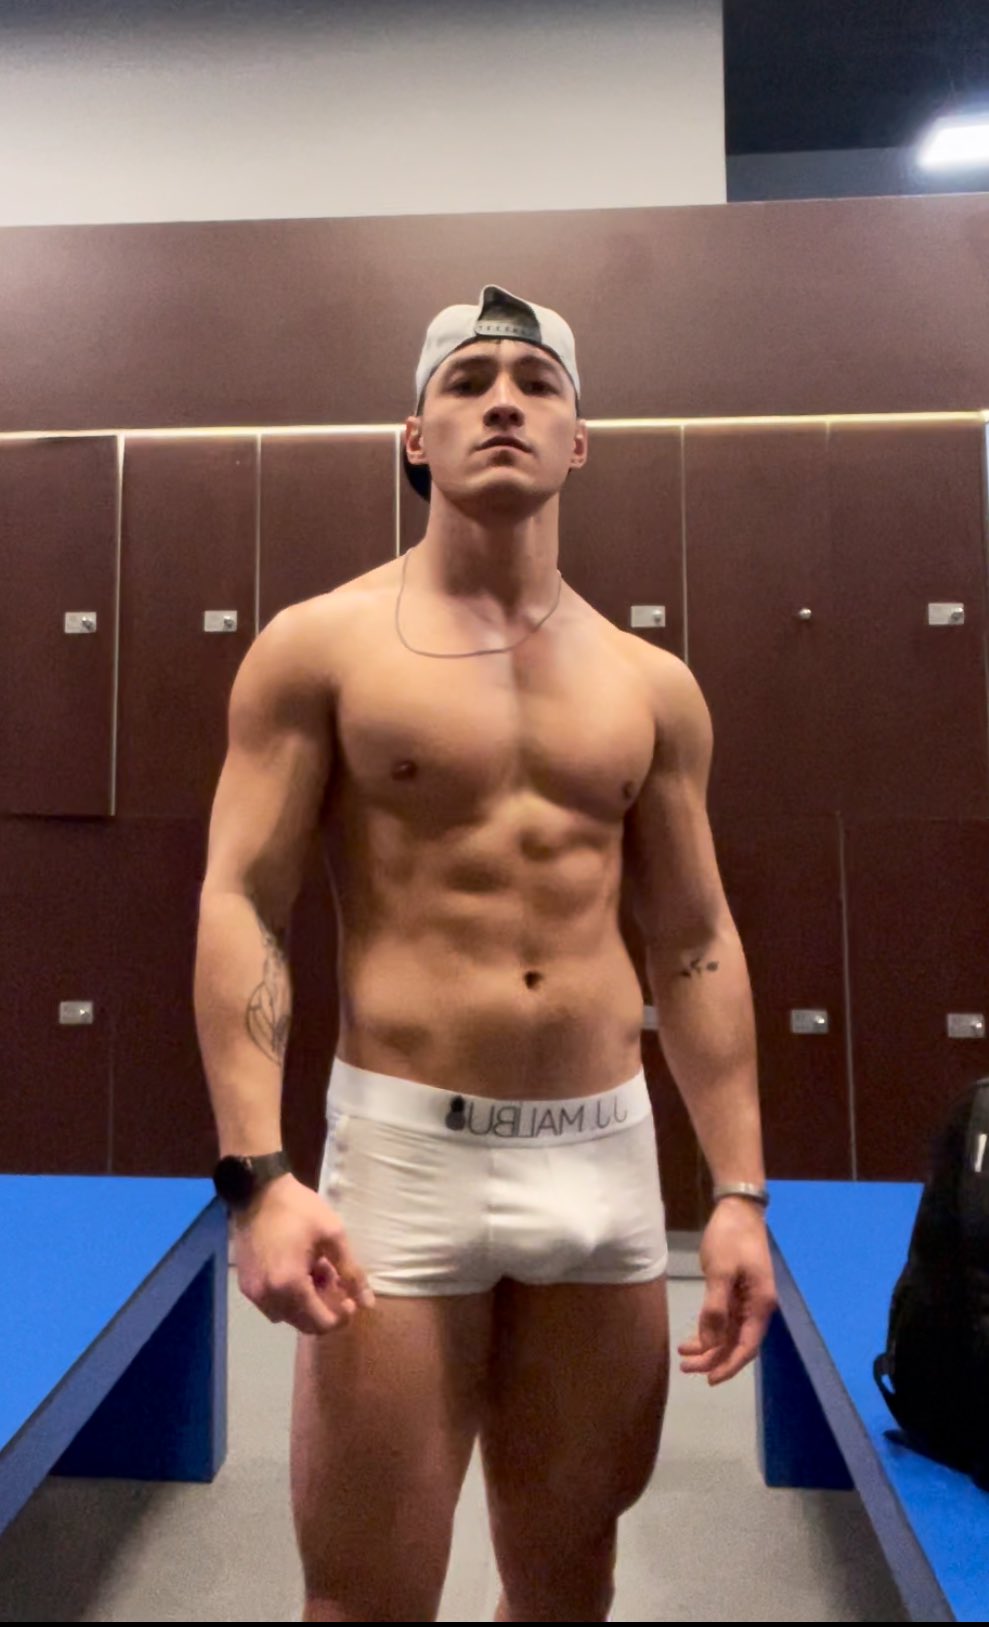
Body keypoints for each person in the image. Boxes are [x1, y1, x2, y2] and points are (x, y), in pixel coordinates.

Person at [195, 284, 779, 1624]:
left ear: (579, 438)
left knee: (569, 1581)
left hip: (601, 1158)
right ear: (415, 437)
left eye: (534, 382)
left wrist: (738, 1192)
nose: (502, 402)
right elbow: (242, 904)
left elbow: (694, 942)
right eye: (466, 383)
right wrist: (255, 1177)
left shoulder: (649, 685)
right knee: (366, 1594)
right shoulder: (319, 648)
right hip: (405, 1157)